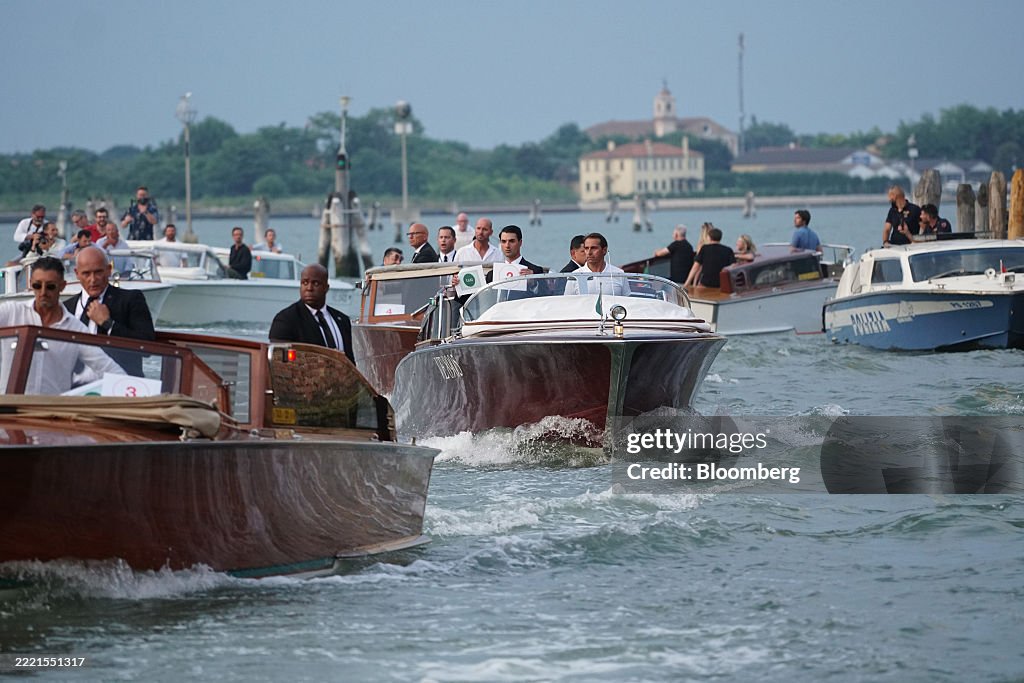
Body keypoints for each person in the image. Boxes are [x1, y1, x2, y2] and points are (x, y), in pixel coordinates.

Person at [0, 256, 123, 394]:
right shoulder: (11, 312)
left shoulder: (75, 329)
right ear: (30, 284)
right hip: (7, 409)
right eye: (37, 285)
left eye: (50, 286)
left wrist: (138, 394)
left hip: (53, 411)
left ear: (62, 286)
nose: (43, 292)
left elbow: (107, 367)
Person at [66, 246, 156, 376]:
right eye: (86, 273)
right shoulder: (67, 308)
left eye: (98, 272)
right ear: (77, 273)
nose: (93, 279)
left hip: (119, 384)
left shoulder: (130, 300)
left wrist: (109, 324)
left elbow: (147, 348)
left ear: (109, 270)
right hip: (76, 386)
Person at [269, 263, 355, 364]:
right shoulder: (285, 319)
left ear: (326, 288)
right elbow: (279, 363)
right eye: (305, 283)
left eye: (316, 283)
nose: (309, 288)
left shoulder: (342, 320)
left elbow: (350, 361)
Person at [565, 232, 629, 296]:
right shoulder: (575, 276)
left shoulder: (619, 274)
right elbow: (568, 302)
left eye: (593, 248)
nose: (589, 252)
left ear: (604, 250)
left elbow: (627, 301)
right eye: (586, 248)